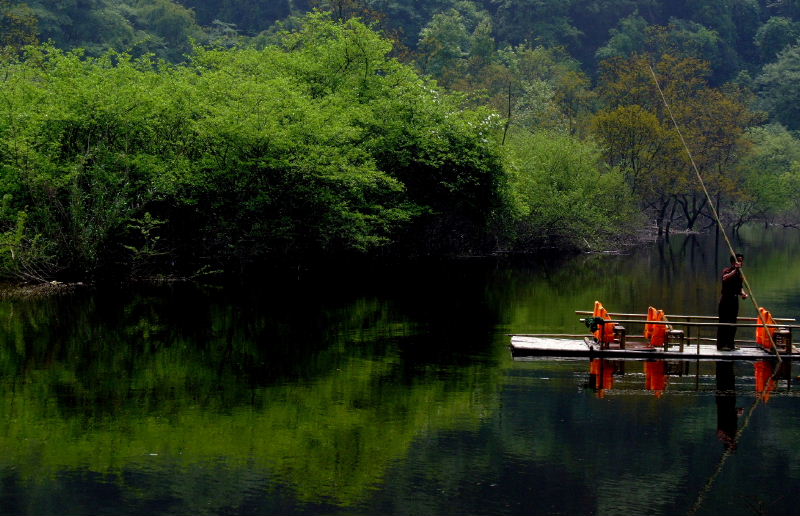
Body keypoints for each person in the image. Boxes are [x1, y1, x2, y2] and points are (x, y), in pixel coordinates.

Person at [717, 253, 748, 351]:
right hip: (726, 300)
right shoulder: (727, 271)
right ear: (733, 262)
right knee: (724, 322)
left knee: (733, 323)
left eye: (741, 260)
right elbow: (725, 278)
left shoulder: (740, 275)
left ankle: (730, 344)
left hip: (734, 301)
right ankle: (721, 345)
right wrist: (735, 269)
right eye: (738, 260)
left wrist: (743, 294)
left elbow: (740, 288)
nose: (740, 262)